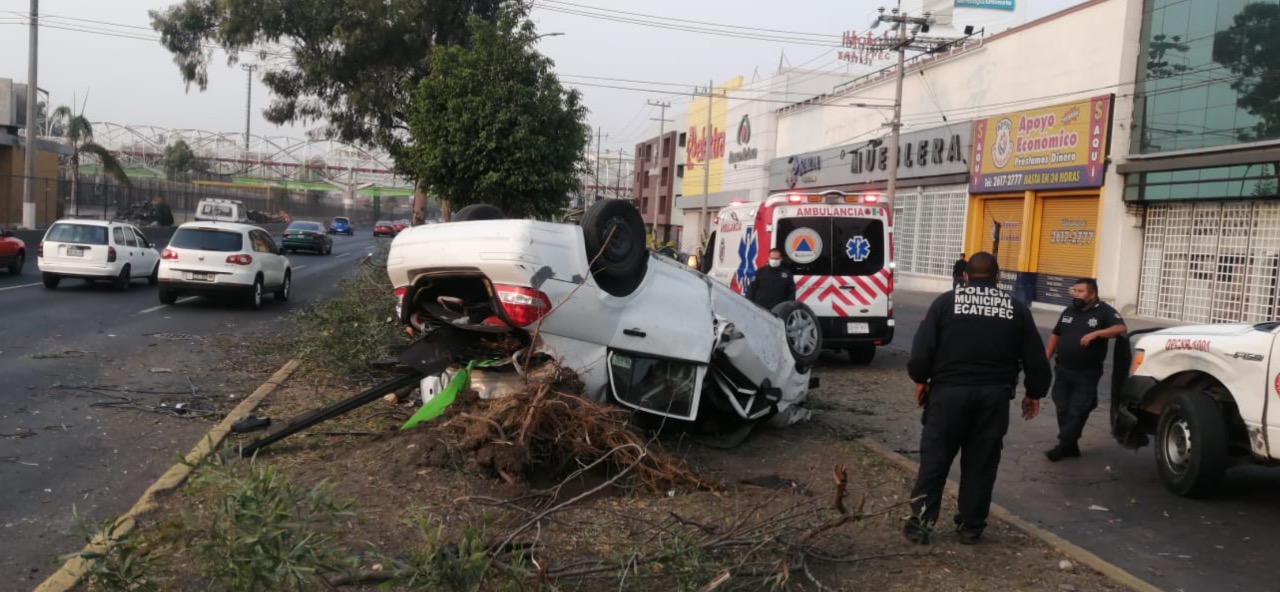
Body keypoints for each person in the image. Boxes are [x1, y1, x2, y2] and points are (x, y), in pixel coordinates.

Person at [905, 252, 1051, 545]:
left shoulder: (945, 303)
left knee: (934, 459)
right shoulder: (1015, 308)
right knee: (981, 463)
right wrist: (1034, 392)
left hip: (948, 395)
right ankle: (971, 526)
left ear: (965, 276)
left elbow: (922, 350)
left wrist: (921, 379)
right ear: (998, 277)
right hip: (992, 399)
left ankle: (921, 524)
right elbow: (1036, 358)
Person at [1044, 278, 1127, 461]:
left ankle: (1063, 444)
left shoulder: (1104, 311)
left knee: (1077, 409)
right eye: (1075, 290)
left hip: (1086, 372)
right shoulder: (1069, 310)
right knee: (1062, 406)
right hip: (1063, 369)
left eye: (1080, 291)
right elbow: (1055, 335)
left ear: (1092, 295)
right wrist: (1045, 359)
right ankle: (1071, 447)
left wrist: (1096, 333)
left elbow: (1120, 328)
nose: (1075, 294)